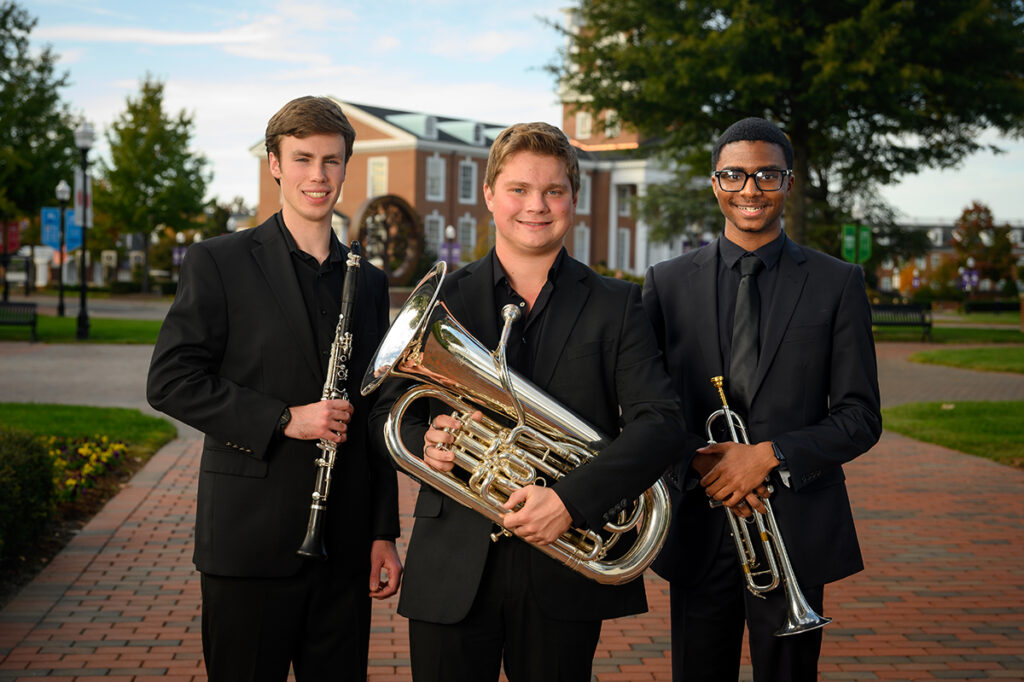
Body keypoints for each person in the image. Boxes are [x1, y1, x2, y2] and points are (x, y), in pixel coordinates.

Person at [371, 121, 685, 681]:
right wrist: (428, 444)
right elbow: (385, 412)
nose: (536, 206)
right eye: (519, 189)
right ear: (490, 195)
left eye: (553, 191)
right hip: (451, 566)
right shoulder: (446, 298)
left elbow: (660, 423)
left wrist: (570, 500)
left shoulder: (616, 304)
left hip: (564, 571)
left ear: (573, 200)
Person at [147, 95, 402, 682]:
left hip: (342, 547)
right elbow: (171, 381)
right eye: (304, 158)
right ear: (275, 164)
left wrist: (383, 531)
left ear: (346, 167)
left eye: (332, 161)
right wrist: (286, 418)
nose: (319, 176)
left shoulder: (369, 281)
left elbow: (375, 415)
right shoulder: (220, 261)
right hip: (248, 541)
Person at [642, 116, 882, 681]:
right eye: (735, 175)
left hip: (795, 524)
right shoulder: (666, 282)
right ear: (715, 183)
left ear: (788, 184)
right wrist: (703, 460)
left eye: (767, 176)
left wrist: (768, 454)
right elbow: (645, 405)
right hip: (701, 519)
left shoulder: (836, 282)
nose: (751, 190)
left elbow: (861, 416)